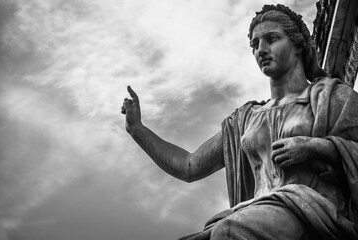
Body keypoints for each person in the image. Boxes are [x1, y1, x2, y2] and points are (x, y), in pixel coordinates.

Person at [121, 4, 358, 240]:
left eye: (271, 39)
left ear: (298, 45)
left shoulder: (333, 97)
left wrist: (315, 147)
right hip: (255, 212)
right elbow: (189, 166)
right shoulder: (245, 119)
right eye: (255, 45)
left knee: (228, 232)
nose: (261, 50)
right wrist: (138, 130)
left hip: (311, 211)